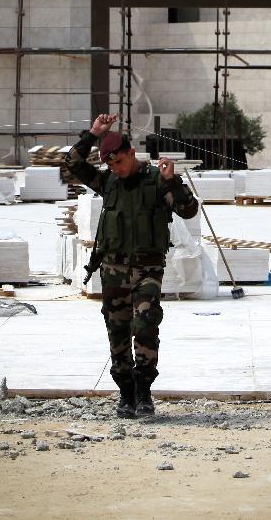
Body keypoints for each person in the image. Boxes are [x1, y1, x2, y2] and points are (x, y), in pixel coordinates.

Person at [65, 113, 199, 418]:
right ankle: (125, 392)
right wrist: (94, 133)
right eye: (110, 164)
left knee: (146, 325)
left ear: (132, 154)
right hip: (113, 271)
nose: (116, 169)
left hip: (147, 271)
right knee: (118, 330)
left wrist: (173, 181)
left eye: (119, 162)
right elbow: (71, 164)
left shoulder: (156, 181)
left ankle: (143, 391)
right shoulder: (108, 182)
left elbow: (188, 211)